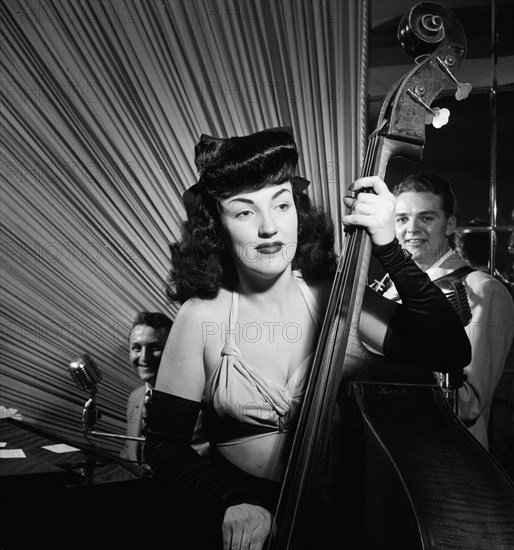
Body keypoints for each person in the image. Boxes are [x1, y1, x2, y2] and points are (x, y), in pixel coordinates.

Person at [144, 128, 471, 549]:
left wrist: (388, 245)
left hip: (346, 517)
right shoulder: (200, 317)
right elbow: (164, 445)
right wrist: (231, 502)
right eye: (244, 212)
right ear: (216, 227)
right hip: (247, 522)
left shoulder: (336, 295)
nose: (268, 228)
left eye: (281, 204)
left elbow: (448, 351)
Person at [384, 172, 514, 450]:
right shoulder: (387, 291)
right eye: (402, 219)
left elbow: (467, 404)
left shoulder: (483, 291)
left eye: (426, 218)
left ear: (450, 224)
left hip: (449, 469)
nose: (412, 229)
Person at [120, 311, 173, 463]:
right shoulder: (135, 397)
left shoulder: (194, 402)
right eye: (136, 348)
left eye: (154, 347)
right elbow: (130, 453)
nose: (144, 357)